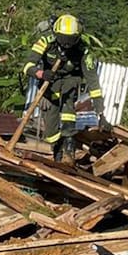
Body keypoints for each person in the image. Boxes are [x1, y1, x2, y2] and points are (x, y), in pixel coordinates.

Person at [24, 14, 110, 163]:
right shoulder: (46, 41)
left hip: (71, 80)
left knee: (68, 99)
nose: (67, 44)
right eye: (64, 39)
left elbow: (93, 82)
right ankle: (57, 146)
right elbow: (28, 66)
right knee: (50, 126)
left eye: (71, 40)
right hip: (49, 82)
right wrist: (42, 74)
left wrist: (101, 114)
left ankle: (68, 142)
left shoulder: (83, 51)